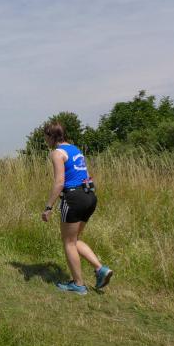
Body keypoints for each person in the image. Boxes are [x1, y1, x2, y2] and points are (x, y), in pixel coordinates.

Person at [41, 122, 113, 295]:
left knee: (68, 242)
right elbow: (85, 175)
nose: (45, 141)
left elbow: (59, 182)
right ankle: (100, 269)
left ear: (52, 136)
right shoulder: (75, 149)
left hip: (73, 198)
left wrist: (48, 207)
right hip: (89, 196)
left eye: (45, 137)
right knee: (74, 239)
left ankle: (78, 285)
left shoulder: (57, 153)